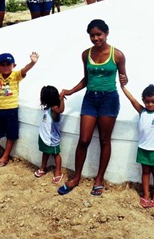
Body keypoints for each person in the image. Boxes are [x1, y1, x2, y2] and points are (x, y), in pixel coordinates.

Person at [58, 19, 128, 196]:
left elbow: (124, 77)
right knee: (84, 140)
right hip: (90, 99)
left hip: (109, 99)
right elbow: (86, 79)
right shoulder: (85, 54)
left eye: (99, 34)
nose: (96, 38)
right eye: (92, 35)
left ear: (106, 33)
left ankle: (99, 179)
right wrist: (71, 90)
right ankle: (76, 177)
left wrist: (125, 79)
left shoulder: (117, 55)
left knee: (105, 140)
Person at [35, 85, 65, 184]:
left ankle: (58, 172)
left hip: (52, 138)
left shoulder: (54, 109)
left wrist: (61, 100)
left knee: (56, 154)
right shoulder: (48, 108)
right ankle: (43, 168)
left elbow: (61, 110)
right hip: (44, 137)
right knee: (45, 152)